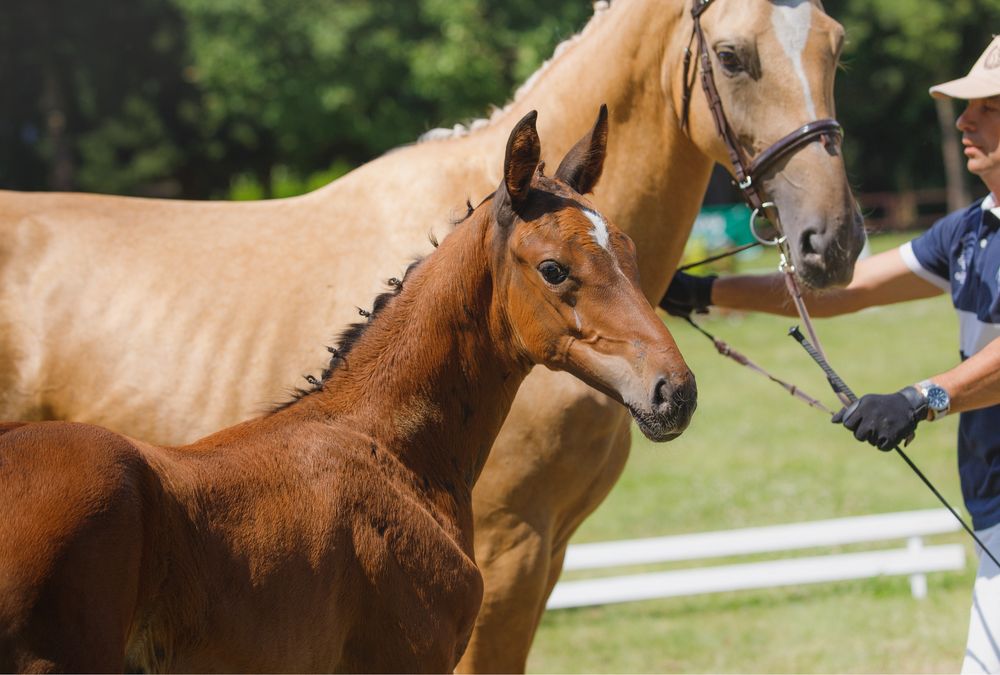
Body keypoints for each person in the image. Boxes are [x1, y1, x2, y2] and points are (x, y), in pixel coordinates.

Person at [662, 36, 1000, 674]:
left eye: (988, 106)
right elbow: (851, 290)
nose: (964, 120)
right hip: (990, 495)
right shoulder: (970, 230)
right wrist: (701, 292)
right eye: (967, 106)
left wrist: (920, 399)